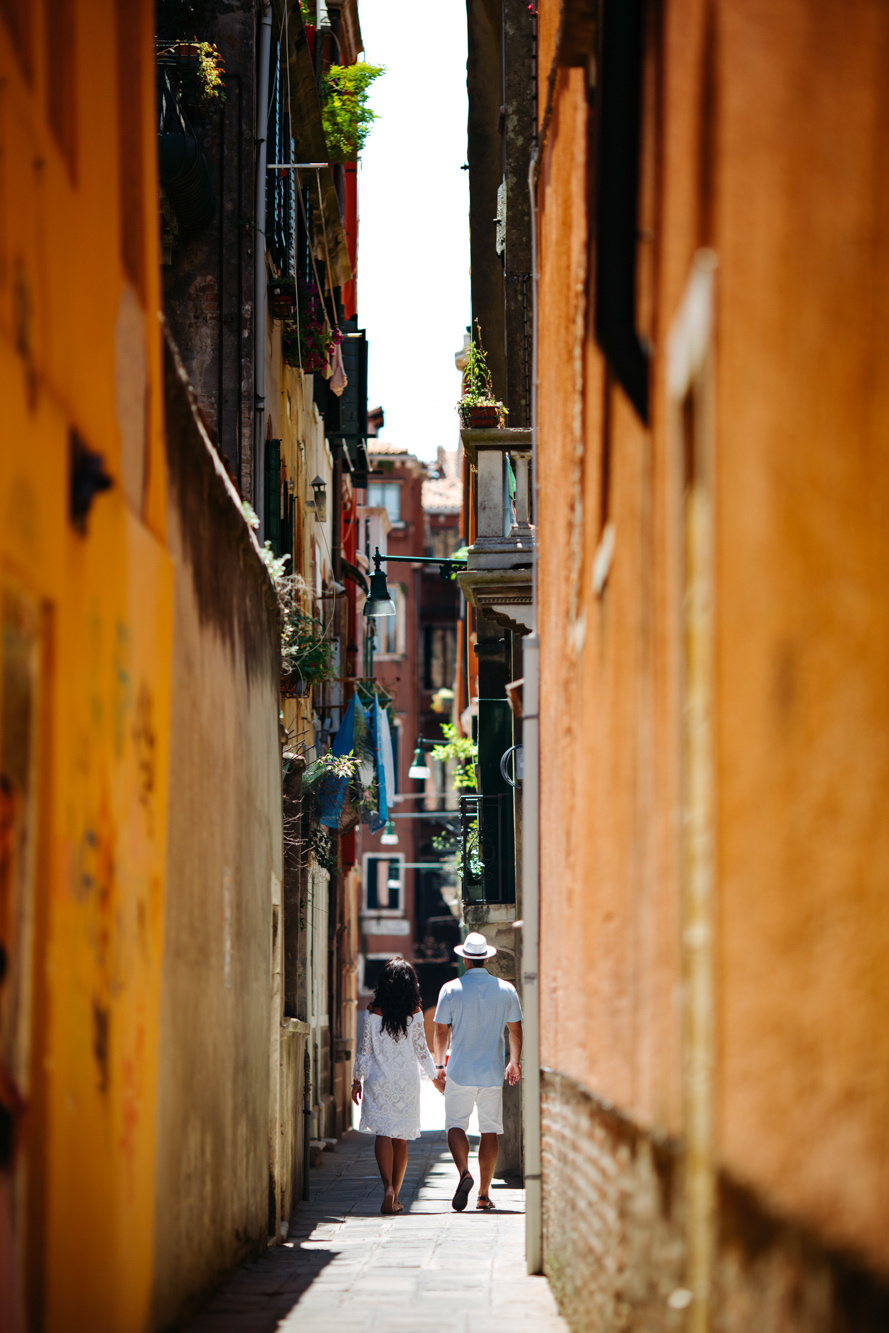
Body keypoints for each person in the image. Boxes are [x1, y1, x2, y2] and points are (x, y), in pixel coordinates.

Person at [433, 931, 523, 1212]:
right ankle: (483, 1194)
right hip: (491, 1071)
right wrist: (514, 1061)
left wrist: (439, 1065)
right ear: (486, 959)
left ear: (464, 959)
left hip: (459, 1070)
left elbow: (440, 1031)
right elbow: (515, 1030)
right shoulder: (506, 989)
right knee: (490, 1130)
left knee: (455, 1125)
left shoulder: (450, 989)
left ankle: (464, 1172)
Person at [351, 957, 439, 1215]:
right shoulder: (415, 1011)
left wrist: (357, 1080)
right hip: (406, 1083)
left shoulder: (372, 1010)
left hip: (378, 1080)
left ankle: (387, 1188)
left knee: (383, 1133)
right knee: (401, 1140)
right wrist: (435, 1077)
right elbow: (422, 1050)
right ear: (410, 983)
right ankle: (396, 1196)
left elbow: (365, 1050)